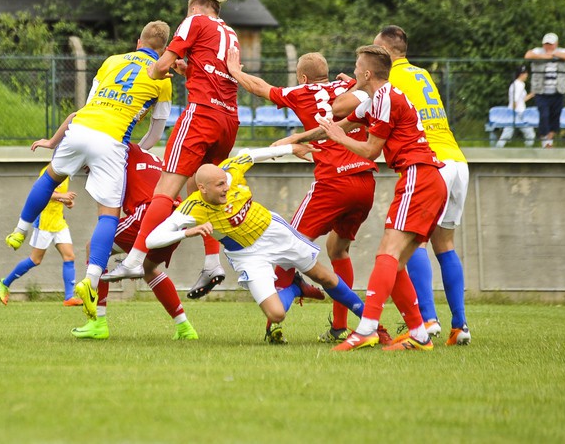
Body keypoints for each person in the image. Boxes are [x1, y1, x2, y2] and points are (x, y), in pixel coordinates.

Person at [277, 45, 447, 351]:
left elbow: (370, 150)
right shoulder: (379, 98)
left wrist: (341, 140)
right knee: (394, 264)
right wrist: (292, 141)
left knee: (386, 254)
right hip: (426, 179)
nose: (352, 72)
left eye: (357, 68)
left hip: (418, 177)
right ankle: (418, 332)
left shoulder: (383, 98)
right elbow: (333, 128)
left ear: (367, 73)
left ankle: (367, 327)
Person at [3, 20, 173, 322]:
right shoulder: (163, 78)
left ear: (138, 41)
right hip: (112, 140)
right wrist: (135, 150)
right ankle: (92, 279)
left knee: (50, 177)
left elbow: (86, 106)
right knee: (109, 213)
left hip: (81, 127)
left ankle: (19, 230)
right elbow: (156, 133)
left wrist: (57, 140)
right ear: (164, 50)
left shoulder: (111, 61)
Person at [144, 145, 373, 345]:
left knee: (325, 277)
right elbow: (151, 240)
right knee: (276, 314)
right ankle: (294, 287)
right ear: (203, 189)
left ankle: (372, 325)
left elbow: (252, 155)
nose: (226, 187)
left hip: (273, 232)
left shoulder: (230, 171)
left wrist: (292, 149)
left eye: (225, 182)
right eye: (219, 185)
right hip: (247, 255)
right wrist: (188, 232)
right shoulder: (192, 208)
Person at [226, 48, 378, 343]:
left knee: (287, 247)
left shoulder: (300, 91)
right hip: (365, 180)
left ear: (303, 77)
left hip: (334, 181)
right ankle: (339, 327)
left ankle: (275, 326)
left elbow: (261, 88)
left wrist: (235, 71)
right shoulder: (348, 86)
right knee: (338, 251)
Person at [101, 0, 241, 299]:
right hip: (228, 119)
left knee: (166, 189)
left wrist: (160, 69)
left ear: (195, 4)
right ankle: (212, 263)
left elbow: (158, 67)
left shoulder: (194, 20)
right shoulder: (230, 34)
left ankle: (135, 259)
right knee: (200, 188)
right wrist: (187, 70)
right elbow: (218, 76)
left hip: (201, 115)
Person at [374, 25, 471, 346]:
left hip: (430, 163)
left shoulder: (391, 79)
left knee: (411, 242)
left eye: (376, 51)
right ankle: (460, 325)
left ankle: (426, 320)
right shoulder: (422, 74)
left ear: (387, 52)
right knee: (446, 245)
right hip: (457, 160)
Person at [72, 143, 196, 340]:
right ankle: (185, 327)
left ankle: (98, 323)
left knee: (94, 247)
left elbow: (108, 209)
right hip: (176, 217)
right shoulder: (142, 153)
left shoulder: (112, 153)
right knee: (148, 269)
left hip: (146, 214)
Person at [0, 166, 80, 306]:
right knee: (35, 260)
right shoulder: (48, 170)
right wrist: (62, 196)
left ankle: (69, 298)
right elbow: (42, 193)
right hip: (44, 223)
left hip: (59, 222)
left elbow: (57, 197)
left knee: (69, 256)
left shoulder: (66, 174)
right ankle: (5, 283)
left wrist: (68, 202)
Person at [524, 32, 565, 148]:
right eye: (546, 44)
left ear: (556, 44)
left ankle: (549, 141)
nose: (548, 47)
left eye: (551, 44)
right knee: (544, 115)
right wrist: (545, 56)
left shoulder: (562, 51)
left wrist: (554, 54)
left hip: (558, 91)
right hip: (541, 92)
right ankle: (546, 143)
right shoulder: (538, 51)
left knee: (555, 117)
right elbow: (528, 55)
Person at [496, 65, 536, 148]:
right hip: (517, 113)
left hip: (518, 112)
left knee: (507, 134)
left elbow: (521, 100)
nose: (527, 75)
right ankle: (527, 153)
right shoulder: (519, 85)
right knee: (529, 135)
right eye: (525, 73)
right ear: (521, 74)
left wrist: (532, 94)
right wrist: (513, 114)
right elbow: (515, 100)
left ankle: (497, 150)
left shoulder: (519, 84)